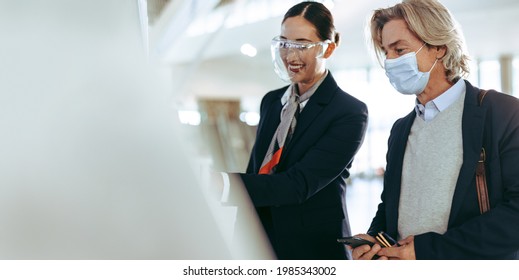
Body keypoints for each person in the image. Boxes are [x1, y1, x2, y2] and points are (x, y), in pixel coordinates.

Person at [351, 0, 519, 260]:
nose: (389, 62)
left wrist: (426, 251)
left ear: (439, 47)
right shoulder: (401, 130)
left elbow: (515, 214)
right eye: (386, 52)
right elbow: (390, 207)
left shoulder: (501, 113)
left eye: (399, 50)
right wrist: (375, 238)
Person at [217, 1, 368, 260]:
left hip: (311, 250)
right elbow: (259, 169)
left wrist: (219, 184)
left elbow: (297, 185)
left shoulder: (349, 112)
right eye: (285, 43)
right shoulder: (272, 101)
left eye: (301, 44)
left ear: (328, 48)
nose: (290, 55)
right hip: (259, 242)